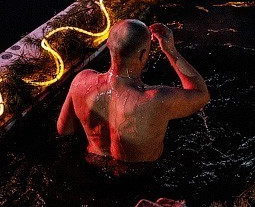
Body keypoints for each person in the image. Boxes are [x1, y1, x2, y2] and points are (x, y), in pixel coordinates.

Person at [57, 19, 209, 163]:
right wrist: (171, 50)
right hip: (140, 177)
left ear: (109, 45)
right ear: (143, 55)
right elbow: (201, 94)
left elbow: (64, 129)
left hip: (94, 163)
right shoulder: (156, 99)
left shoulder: (81, 81)